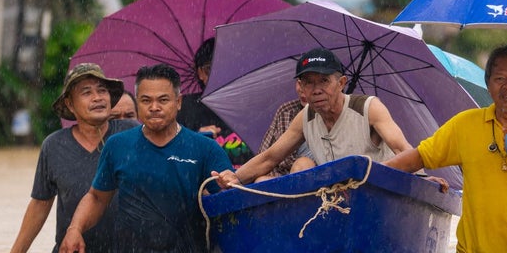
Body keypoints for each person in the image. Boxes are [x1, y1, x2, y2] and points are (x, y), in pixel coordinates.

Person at [384, 43, 507, 253]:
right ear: (488, 84)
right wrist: (366, 174)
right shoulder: (465, 124)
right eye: (500, 79)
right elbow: (418, 158)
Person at [58, 63, 237, 253]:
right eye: (146, 100)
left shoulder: (205, 148)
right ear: (137, 103)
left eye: (163, 100)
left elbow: (230, 205)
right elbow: (97, 197)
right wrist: (74, 228)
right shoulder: (117, 146)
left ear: (178, 102)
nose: (154, 107)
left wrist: (231, 184)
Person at [0, 64, 136, 253]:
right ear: (70, 104)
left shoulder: (132, 134)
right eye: (86, 92)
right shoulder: (54, 146)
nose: (97, 98)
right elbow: (40, 204)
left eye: (102, 90)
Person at [217, 47, 412, 186]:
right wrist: (235, 177)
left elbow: (403, 150)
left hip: (380, 193)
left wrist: (421, 180)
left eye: (324, 81)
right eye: (309, 82)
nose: (316, 90)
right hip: (339, 201)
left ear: (341, 83)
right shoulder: (306, 117)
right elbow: (270, 158)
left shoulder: (368, 108)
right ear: (301, 87)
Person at [177, 37, 254, 166]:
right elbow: (173, 157)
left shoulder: (253, 106)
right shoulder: (183, 108)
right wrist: (194, 140)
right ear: (200, 73)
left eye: (226, 68)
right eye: (210, 68)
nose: (219, 75)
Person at [258, 97, 316, 178]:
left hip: (316, 173)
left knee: (303, 164)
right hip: (284, 174)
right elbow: (266, 159)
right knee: (261, 179)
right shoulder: (287, 111)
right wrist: (239, 178)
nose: (302, 92)